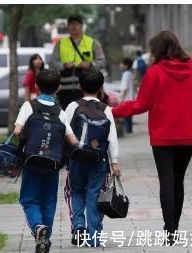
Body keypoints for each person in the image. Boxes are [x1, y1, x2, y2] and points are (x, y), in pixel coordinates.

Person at [112, 31, 192, 245]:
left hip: (163, 137)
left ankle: (170, 229)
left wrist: (112, 111)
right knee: (179, 180)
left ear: (158, 50)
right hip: (187, 136)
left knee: (166, 180)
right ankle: (175, 224)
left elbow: (140, 105)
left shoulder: (155, 72)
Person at [13, 70, 78, 253]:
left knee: (29, 199)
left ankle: (37, 227)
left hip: (31, 161)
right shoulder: (60, 112)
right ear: (58, 88)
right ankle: (46, 237)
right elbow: (72, 140)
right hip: (53, 164)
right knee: (49, 201)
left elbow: (17, 132)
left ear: (36, 86)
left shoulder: (29, 106)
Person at [64, 68, 121, 247]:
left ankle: (79, 226)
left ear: (80, 85)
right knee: (95, 194)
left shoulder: (73, 106)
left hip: (77, 159)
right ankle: (94, 236)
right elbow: (112, 138)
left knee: (76, 191)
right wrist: (115, 163)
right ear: (101, 87)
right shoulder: (106, 109)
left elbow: (65, 132)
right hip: (99, 161)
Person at [50, 15, 106, 109]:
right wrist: (64, 65)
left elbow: (102, 61)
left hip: (87, 89)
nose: (74, 26)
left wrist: (90, 64)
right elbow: (52, 63)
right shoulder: (61, 43)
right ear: (68, 27)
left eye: (76, 24)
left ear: (81, 26)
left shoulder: (92, 42)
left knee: (86, 115)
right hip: (64, 90)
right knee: (67, 117)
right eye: (71, 24)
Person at [119, 57, 135, 133]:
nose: (120, 65)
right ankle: (129, 130)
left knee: (126, 115)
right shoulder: (130, 73)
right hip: (131, 97)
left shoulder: (125, 74)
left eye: (121, 63)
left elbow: (124, 88)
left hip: (126, 98)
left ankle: (128, 130)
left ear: (126, 65)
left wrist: (121, 98)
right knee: (129, 115)